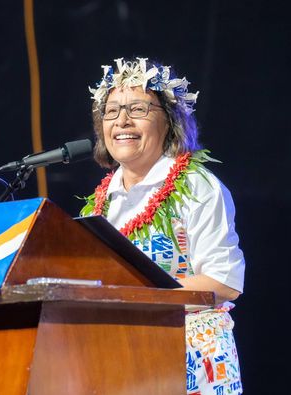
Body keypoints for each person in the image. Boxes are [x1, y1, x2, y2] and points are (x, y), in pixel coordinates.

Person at [81, 57, 245, 395]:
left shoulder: (198, 185)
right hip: (124, 360)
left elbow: (223, 283)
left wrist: (133, 296)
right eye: (111, 111)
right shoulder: (103, 200)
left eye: (138, 109)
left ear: (169, 121)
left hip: (190, 361)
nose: (122, 120)